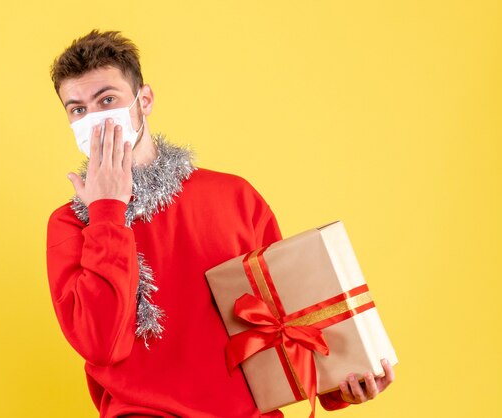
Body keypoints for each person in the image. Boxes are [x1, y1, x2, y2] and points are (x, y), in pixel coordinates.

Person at [45, 30, 394, 418]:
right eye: (77, 109)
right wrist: (107, 210)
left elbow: (285, 323)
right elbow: (103, 345)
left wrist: (341, 385)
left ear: (144, 100)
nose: (94, 120)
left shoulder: (234, 196)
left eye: (107, 100)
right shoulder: (70, 225)